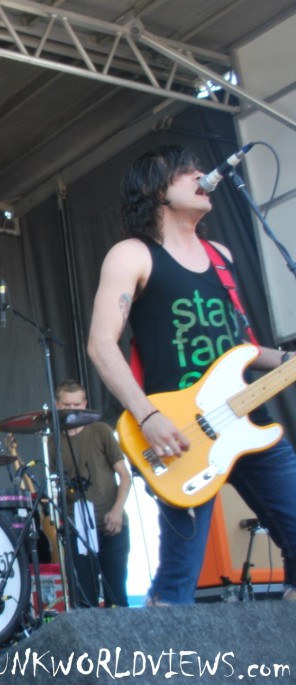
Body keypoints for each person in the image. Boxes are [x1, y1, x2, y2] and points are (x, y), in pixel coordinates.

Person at [87, 144, 296, 605]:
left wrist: (285, 363)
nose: (203, 175)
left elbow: (236, 346)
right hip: (180, 434)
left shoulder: (221, 255)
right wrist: (146, 417)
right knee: (180, 576)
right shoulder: (132, 254)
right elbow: (101, 344)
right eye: (187, 172)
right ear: (155, 190)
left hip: (248, 419)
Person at [53, 379, 131, 607]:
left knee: (116, 594)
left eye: (77, 404)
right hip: (77, 529)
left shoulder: (101, 431)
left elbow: (125, 476)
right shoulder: (53, 441)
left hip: (110, 524)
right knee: (84, 599)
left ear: (85, 403)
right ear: (58, 406)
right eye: (67, 405)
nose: (73, 409)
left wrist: (117, 512)